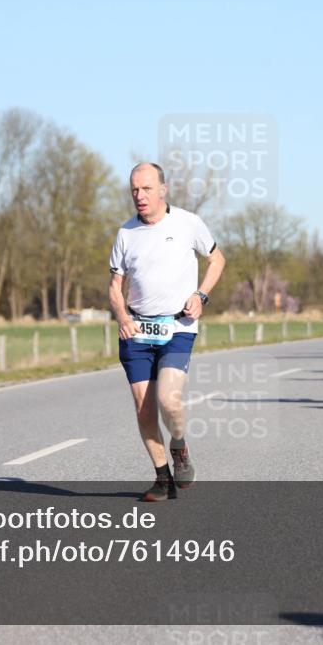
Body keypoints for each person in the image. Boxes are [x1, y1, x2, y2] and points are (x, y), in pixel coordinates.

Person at [108, 162, 226, 501]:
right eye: (134, 190)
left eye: (146, 189)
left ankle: (179, 446)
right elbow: (115, 286)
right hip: (137, 329)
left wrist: (201, 295)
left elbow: (217, 260)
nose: (139, 196)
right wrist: (121, 315)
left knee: (168, 400)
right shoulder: (125, 233)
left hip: (177, 326)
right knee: (144, 408)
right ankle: (162, 479)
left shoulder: (189, 223)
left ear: (163, 189)